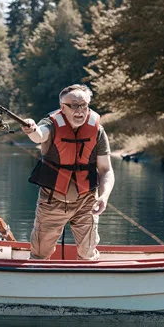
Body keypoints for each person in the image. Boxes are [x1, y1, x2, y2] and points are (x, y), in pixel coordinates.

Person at [21, 84, 115, 260]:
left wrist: (104, 196)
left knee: (87, 253)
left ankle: (86, 282)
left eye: (84, 105)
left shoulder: (98, 131)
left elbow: (105, 169)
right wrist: (31, 129)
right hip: (52, 200)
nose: (80, 110)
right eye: (74, 105)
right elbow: (39, 135)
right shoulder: (51, 124)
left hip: (87, 200)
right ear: (62, 107)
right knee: (40, 253)